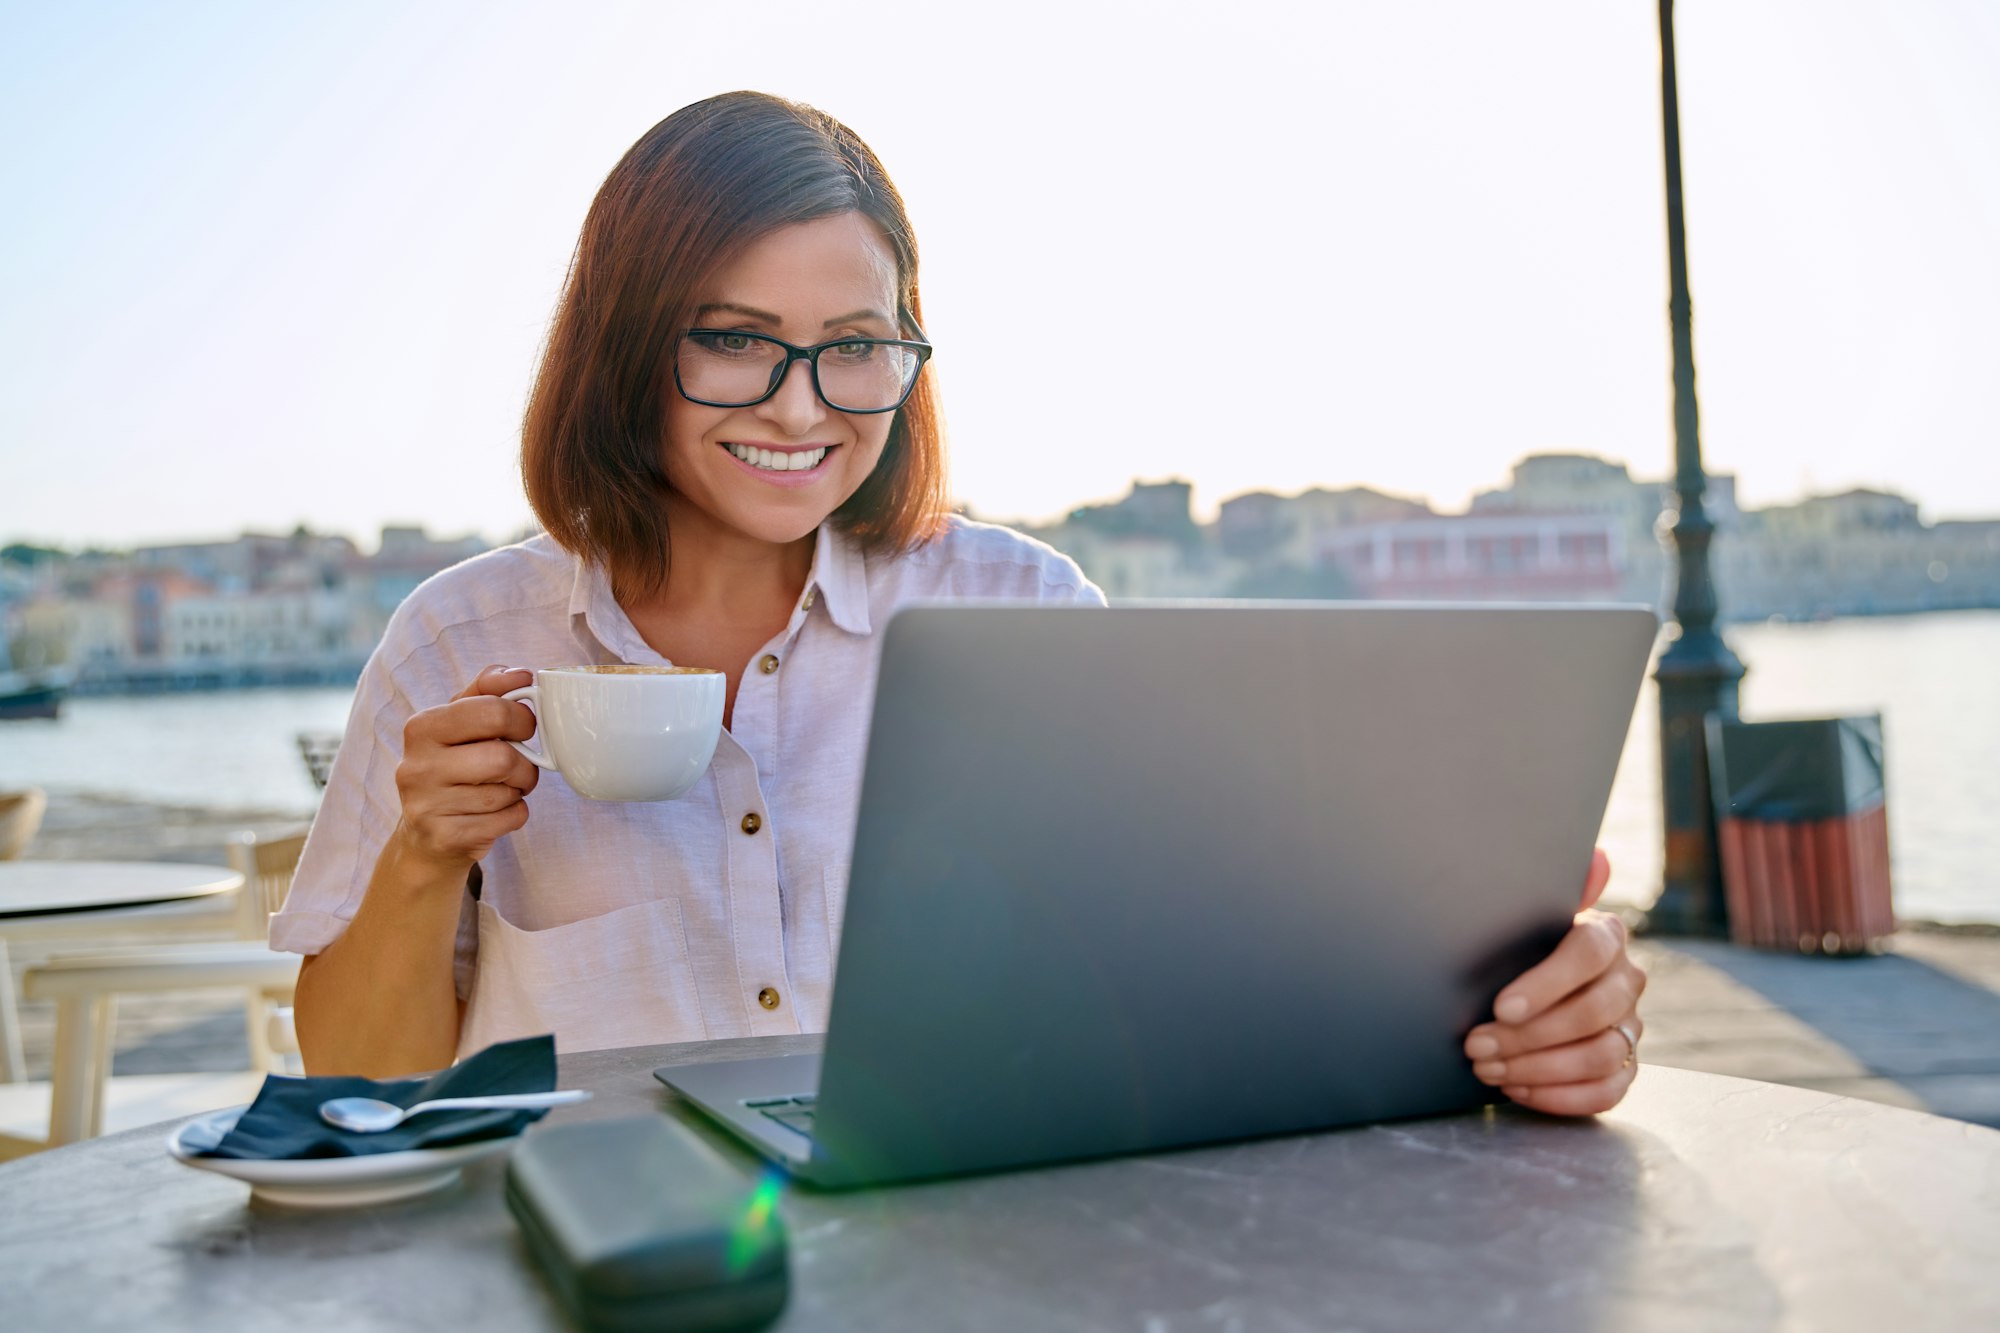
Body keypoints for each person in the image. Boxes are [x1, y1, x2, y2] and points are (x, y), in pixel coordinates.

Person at [276, 91, 1646, 1117]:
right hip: (586, 1268)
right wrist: (420, 861)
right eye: (737, 340)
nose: (802, 407)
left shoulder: (1021, 609)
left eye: (856, 348)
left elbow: (1205, 971)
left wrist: (1520, 1006)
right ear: (629, 349)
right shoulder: (463, 641)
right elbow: (352, 1074)